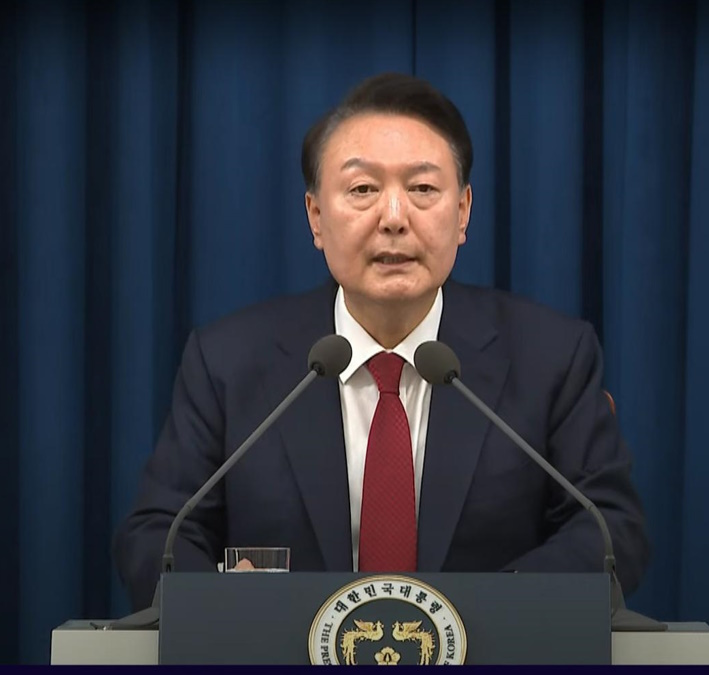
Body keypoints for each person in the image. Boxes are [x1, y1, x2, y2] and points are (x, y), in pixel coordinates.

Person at [113, 72, 650, 612]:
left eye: (422, 189)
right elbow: (157, 533)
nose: (394, 219)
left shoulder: (551, 356)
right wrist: (225, 611)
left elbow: (610, 529)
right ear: (316, 217)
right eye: (363, 190)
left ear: (463, 212)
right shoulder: (228, 361)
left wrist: (490, 615)